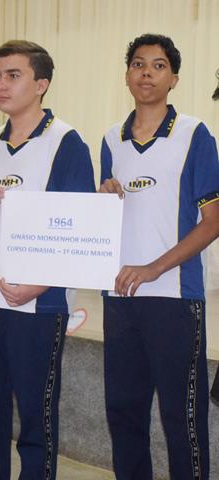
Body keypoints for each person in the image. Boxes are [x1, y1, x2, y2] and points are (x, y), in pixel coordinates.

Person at [0, 40, 95, 479]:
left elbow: (79, 230)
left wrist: (37, 287)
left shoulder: (66, 142)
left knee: (36, 419)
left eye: (13, 75)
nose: (1, 84)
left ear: (41, 84)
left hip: (38, 303)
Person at [99, 34, 219, 480]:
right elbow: (105, 219)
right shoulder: (110, 140)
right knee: (123, 413)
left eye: (158, 65)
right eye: (138, 63)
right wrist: (103, 198)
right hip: (119, 297)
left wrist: (153, 268)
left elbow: (212, 222)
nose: (146, 72)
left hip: (175, 298)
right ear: (126, 74)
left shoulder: (193, 134)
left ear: (174, 79)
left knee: (181, 419)